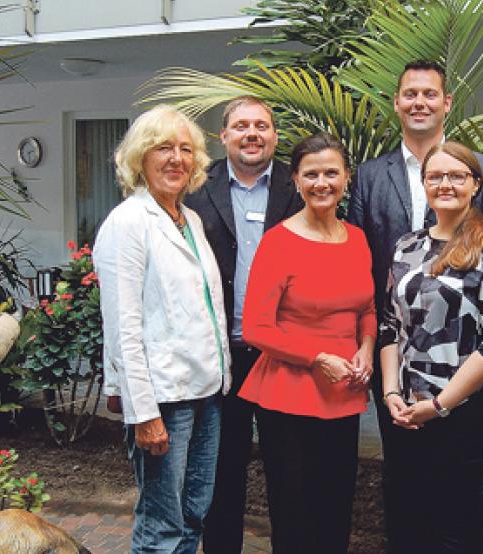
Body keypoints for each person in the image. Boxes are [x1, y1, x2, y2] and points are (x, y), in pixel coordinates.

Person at [346, 59, 483, 541]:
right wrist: (390, 385)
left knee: (460, 500)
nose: (419, 102)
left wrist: (445, 400)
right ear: (397, 103)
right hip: (398, 367)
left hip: (465, 382)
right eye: (409, 94)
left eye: (429, 94)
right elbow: (365, 268)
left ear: (446, 103)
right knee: (403, 489)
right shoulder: (371, 176)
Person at [94, 105, 231, 554]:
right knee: (162, 524)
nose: (176, 158)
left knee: (194, 512)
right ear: (139, 157)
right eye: (163, 147)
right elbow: (122, 327)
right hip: (164, 399)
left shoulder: (189, 219)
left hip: (205, 391)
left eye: (185, 149)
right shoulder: (128, 223)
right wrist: (143, 412)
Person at [379, 141, 483, 553]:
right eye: (435, 176)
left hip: (462, 411)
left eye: (457, 176)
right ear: (423, 183)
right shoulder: (407, 246)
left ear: (475, 184)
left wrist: (441, 404)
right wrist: (391, 394)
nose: (445, 184)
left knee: (455, 529)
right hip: (406, 410)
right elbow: (390, 326)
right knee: (407, 524)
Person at [239, 133, 376, 553]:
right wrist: (317, 358)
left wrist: (367, 348)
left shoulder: (356, 237)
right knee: (294, 510)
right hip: (289, 392)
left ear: (346, 178)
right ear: (295, 180)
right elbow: (255, 329)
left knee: (336, 506)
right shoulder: (278, 242)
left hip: (343, 391)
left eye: (331, 172)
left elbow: (367, 308)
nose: (322, 182)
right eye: (311, 174)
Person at [183, 95, 303, 553]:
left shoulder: (297, 189)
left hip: (281, 353)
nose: (253, 134)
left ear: (274, 135)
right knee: (222, 471)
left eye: (262, 125)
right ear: (224, 136)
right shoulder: (196, 189)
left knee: (287, 470)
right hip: (222, 355)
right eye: (242, 126)